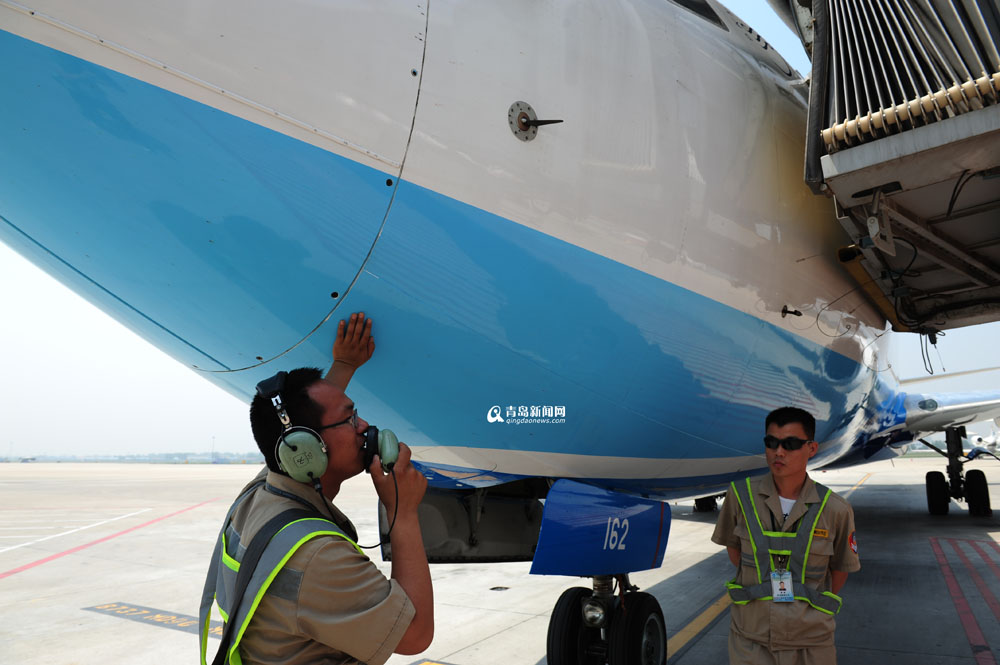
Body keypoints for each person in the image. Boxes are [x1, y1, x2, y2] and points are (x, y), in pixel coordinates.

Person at [200, 312, 433, 665]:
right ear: (307, 452)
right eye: (351, 418)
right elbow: (414, 635)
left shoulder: (260, 494)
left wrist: (344, 364)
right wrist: (403, 514)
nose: (365, 426)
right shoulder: (318, 556)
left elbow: (299, 431)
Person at [711, 406, 860, 665]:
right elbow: (735, 553)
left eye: (790, 444)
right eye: (772, 442)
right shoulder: (740, 496)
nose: (778, 452)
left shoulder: (836, 509)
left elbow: (840, 570)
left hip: (811, 641)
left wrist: (802, 609)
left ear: (811, 448)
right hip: (751, 639)